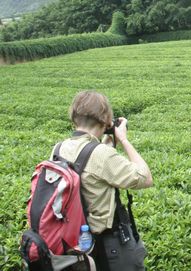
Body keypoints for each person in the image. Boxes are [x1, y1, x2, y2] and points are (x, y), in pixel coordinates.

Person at [57, 90, 153, 271]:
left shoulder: (59, 148)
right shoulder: (101, 154)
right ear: (105, 119)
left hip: (75, 242)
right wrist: (123, 139)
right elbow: (145, 178)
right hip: (108, 245)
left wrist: (108, 140)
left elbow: (91, 165)